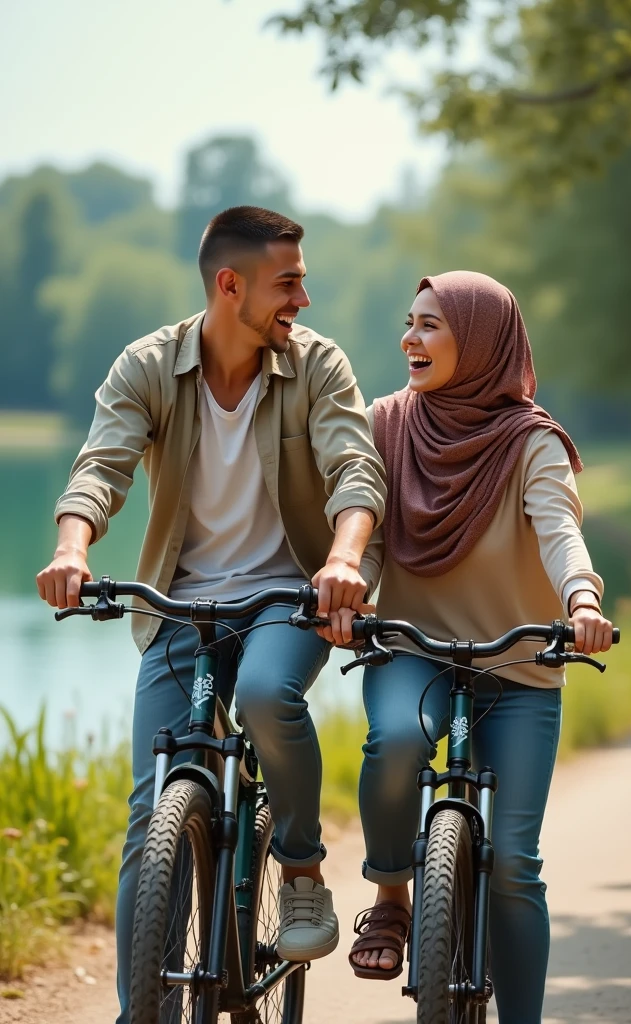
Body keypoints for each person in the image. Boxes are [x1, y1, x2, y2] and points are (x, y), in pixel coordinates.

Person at [36, 206, 386, 1024]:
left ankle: (299, 870)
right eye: (287, 281)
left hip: (285, 596)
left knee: (268, 695)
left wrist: (341, 559)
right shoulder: (150, 366)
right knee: (151, 809)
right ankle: (143, 1012)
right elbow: (102, 465)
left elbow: (355, 471)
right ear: (231, 285)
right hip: (180, 608)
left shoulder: (317, 367)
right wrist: (73, 547)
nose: (303, 296)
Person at [348, 271, 614, 1024]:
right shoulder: (386, 423)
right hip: (414, 652)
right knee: (395, 738)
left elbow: (560, 529)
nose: (410, 339)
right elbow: (367, 531)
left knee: (515, 870)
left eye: (431, 325)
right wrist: (354, 590)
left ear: (483, 339)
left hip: (520, 667)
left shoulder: (533, 441)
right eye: (409, 323)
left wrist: (583, 600)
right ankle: (393, 896)